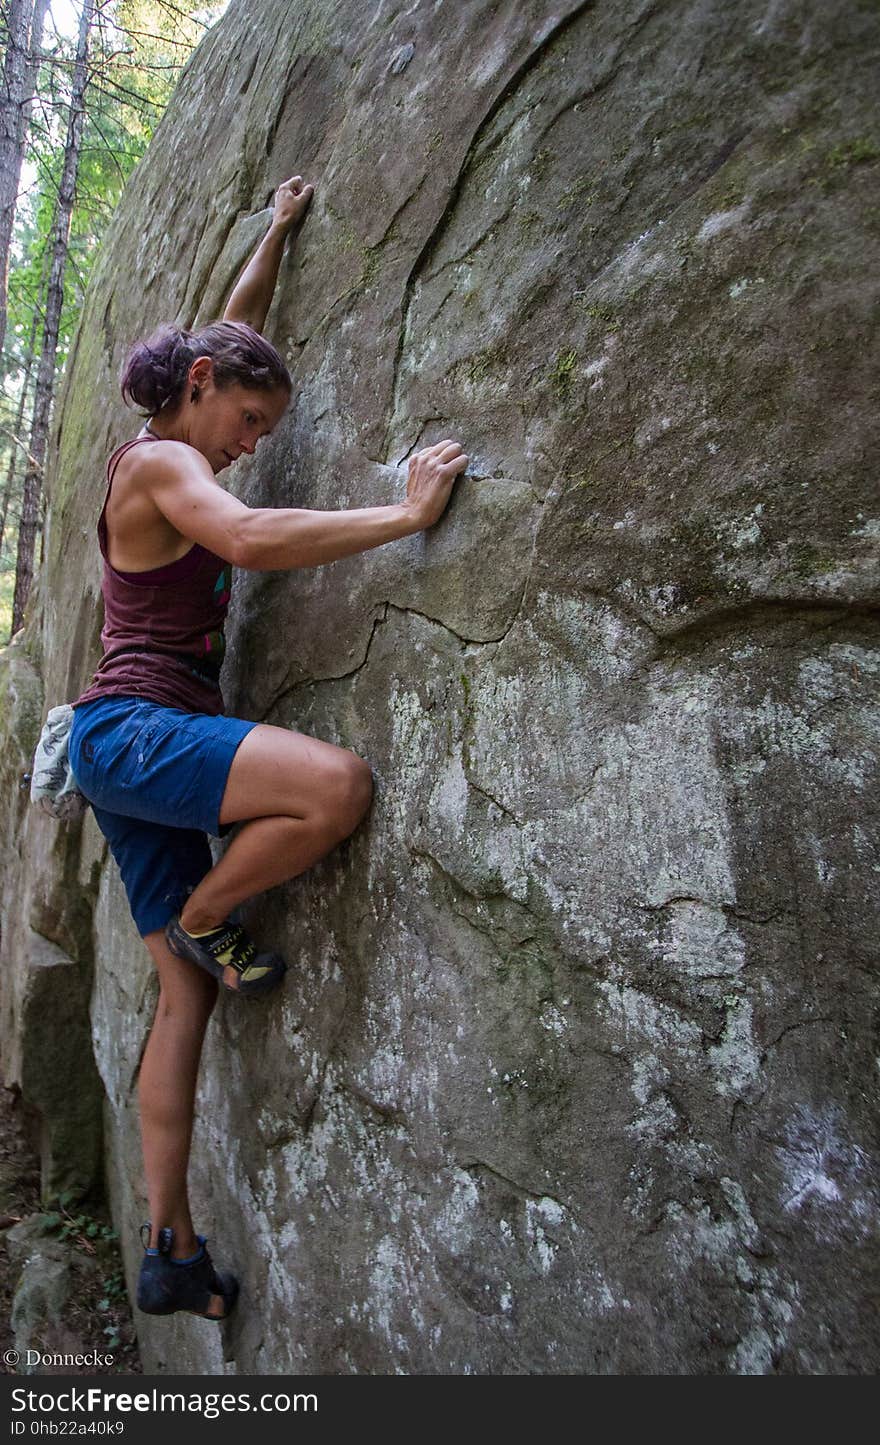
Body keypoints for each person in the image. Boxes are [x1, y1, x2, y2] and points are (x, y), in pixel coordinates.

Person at [68, 175, 468, 1321]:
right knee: (334, 787)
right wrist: (402, 515)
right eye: (250, 421)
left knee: (182, 1004)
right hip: (139, 729)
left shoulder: (178, 438)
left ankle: (170, 1246)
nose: (253, 442)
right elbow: (242, 534)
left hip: (125, 750)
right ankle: (208, 912)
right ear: (200, 392)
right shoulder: (157, 467)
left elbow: (229, 333)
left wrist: (278, 234)